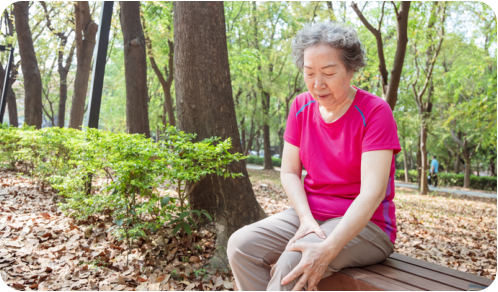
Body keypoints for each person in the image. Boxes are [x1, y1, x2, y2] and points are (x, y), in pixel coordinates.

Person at [227, 22, 401, 291]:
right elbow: (288, 172)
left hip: (368, 226)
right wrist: (306, 219)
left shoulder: (376, 112)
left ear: (351, 70)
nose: (317, 84)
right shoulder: (300, 106)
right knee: (240, 246)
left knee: (293, 263)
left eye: (329, 73)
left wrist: (327, 248)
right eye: (309, 73)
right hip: (311, 214)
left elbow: (372, 194)